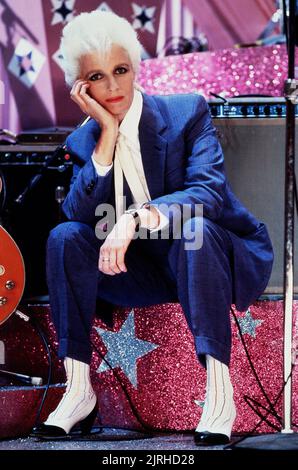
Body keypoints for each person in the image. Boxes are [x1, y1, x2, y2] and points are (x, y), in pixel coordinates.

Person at [31, 10, 274, 445]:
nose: (113, 87)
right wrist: (105, 136)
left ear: (136, 68)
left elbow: (208, 192)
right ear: (81, 88)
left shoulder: (186, 113)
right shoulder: (84, 140)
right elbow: (76, 216)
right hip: (138, 271)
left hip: (204, 259)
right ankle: (79, 390)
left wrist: (135, 217)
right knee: (63, 237)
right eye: (98, 77)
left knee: (193, 232)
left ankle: (220, 395)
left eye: (121, 70)